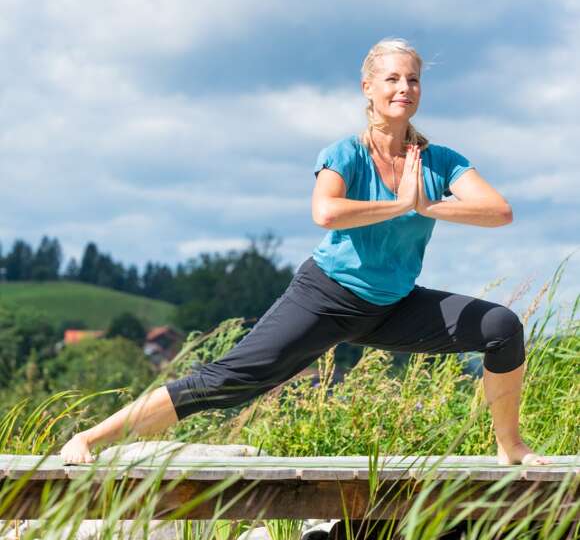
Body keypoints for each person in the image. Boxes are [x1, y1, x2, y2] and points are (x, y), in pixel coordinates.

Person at [61, 38, 549, 466]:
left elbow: (498, 211)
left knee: (501, 329)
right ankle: (91, 436)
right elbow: (327, 212)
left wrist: (428, 204)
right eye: (393, 79)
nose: (405, 88)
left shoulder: (438, 161)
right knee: (226, 382)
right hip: (326, 297)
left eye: (413, 80)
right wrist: (399, 204)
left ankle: (509, 445)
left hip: (394, 307)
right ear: (368, 88)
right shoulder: (345, 153)